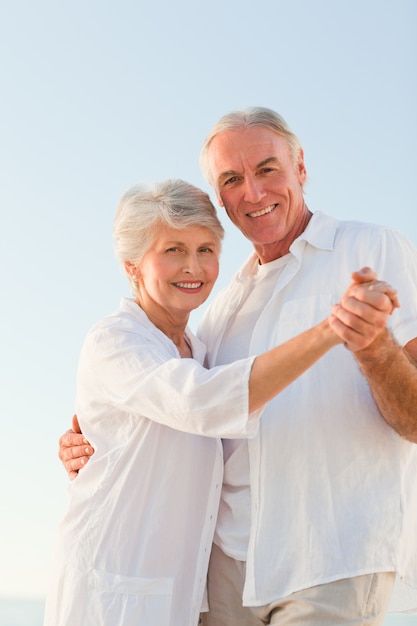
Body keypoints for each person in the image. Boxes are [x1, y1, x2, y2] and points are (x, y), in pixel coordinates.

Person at [58, 108, 417, 625]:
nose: (252, 191)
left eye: (267, 168)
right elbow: (194, 402)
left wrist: (375, 348)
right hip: (224, 570)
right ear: (220, 198)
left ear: (300, 166)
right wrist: (93, 441)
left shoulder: (371, 248)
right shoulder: (222, 310)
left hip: (331, 555)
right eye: (231, 179)